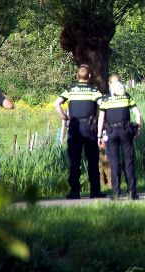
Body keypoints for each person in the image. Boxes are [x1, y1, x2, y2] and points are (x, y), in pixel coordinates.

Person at [54, 65, 105, 199]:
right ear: (89, 77)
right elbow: (104, 105)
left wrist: (64, 116)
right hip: (90, 129)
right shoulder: (94, 91)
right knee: (92, 160)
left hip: (74, 129)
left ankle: (74, 191)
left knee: (74, 161)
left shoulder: (70, 90)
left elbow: (56, 103)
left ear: (77, 76)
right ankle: (95, 191)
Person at [97, 79, 141, 200]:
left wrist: (99, 136)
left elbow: (101, 119)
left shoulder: (105, 99)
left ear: (111, 89)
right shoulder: (127, 97)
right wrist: (138, 129)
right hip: (126, 131)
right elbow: (138, 114)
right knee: (129, 161)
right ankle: (132, 192)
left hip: (111, 133)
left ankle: (116, 193)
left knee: (114, 162)